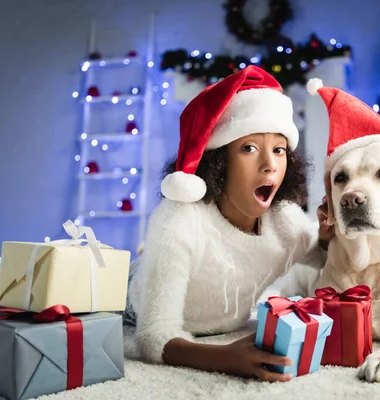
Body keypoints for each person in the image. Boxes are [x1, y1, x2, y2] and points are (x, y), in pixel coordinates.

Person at [124, 66, 332, 382]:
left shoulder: (285, 220)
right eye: (249, 148)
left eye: (279, 149)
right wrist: (224, 357)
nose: (270, 165)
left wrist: (332, 236)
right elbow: (151, 334)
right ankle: (148, 257)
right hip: (127, 301)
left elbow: (328, 257)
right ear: (219, 161)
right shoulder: (179, 220)